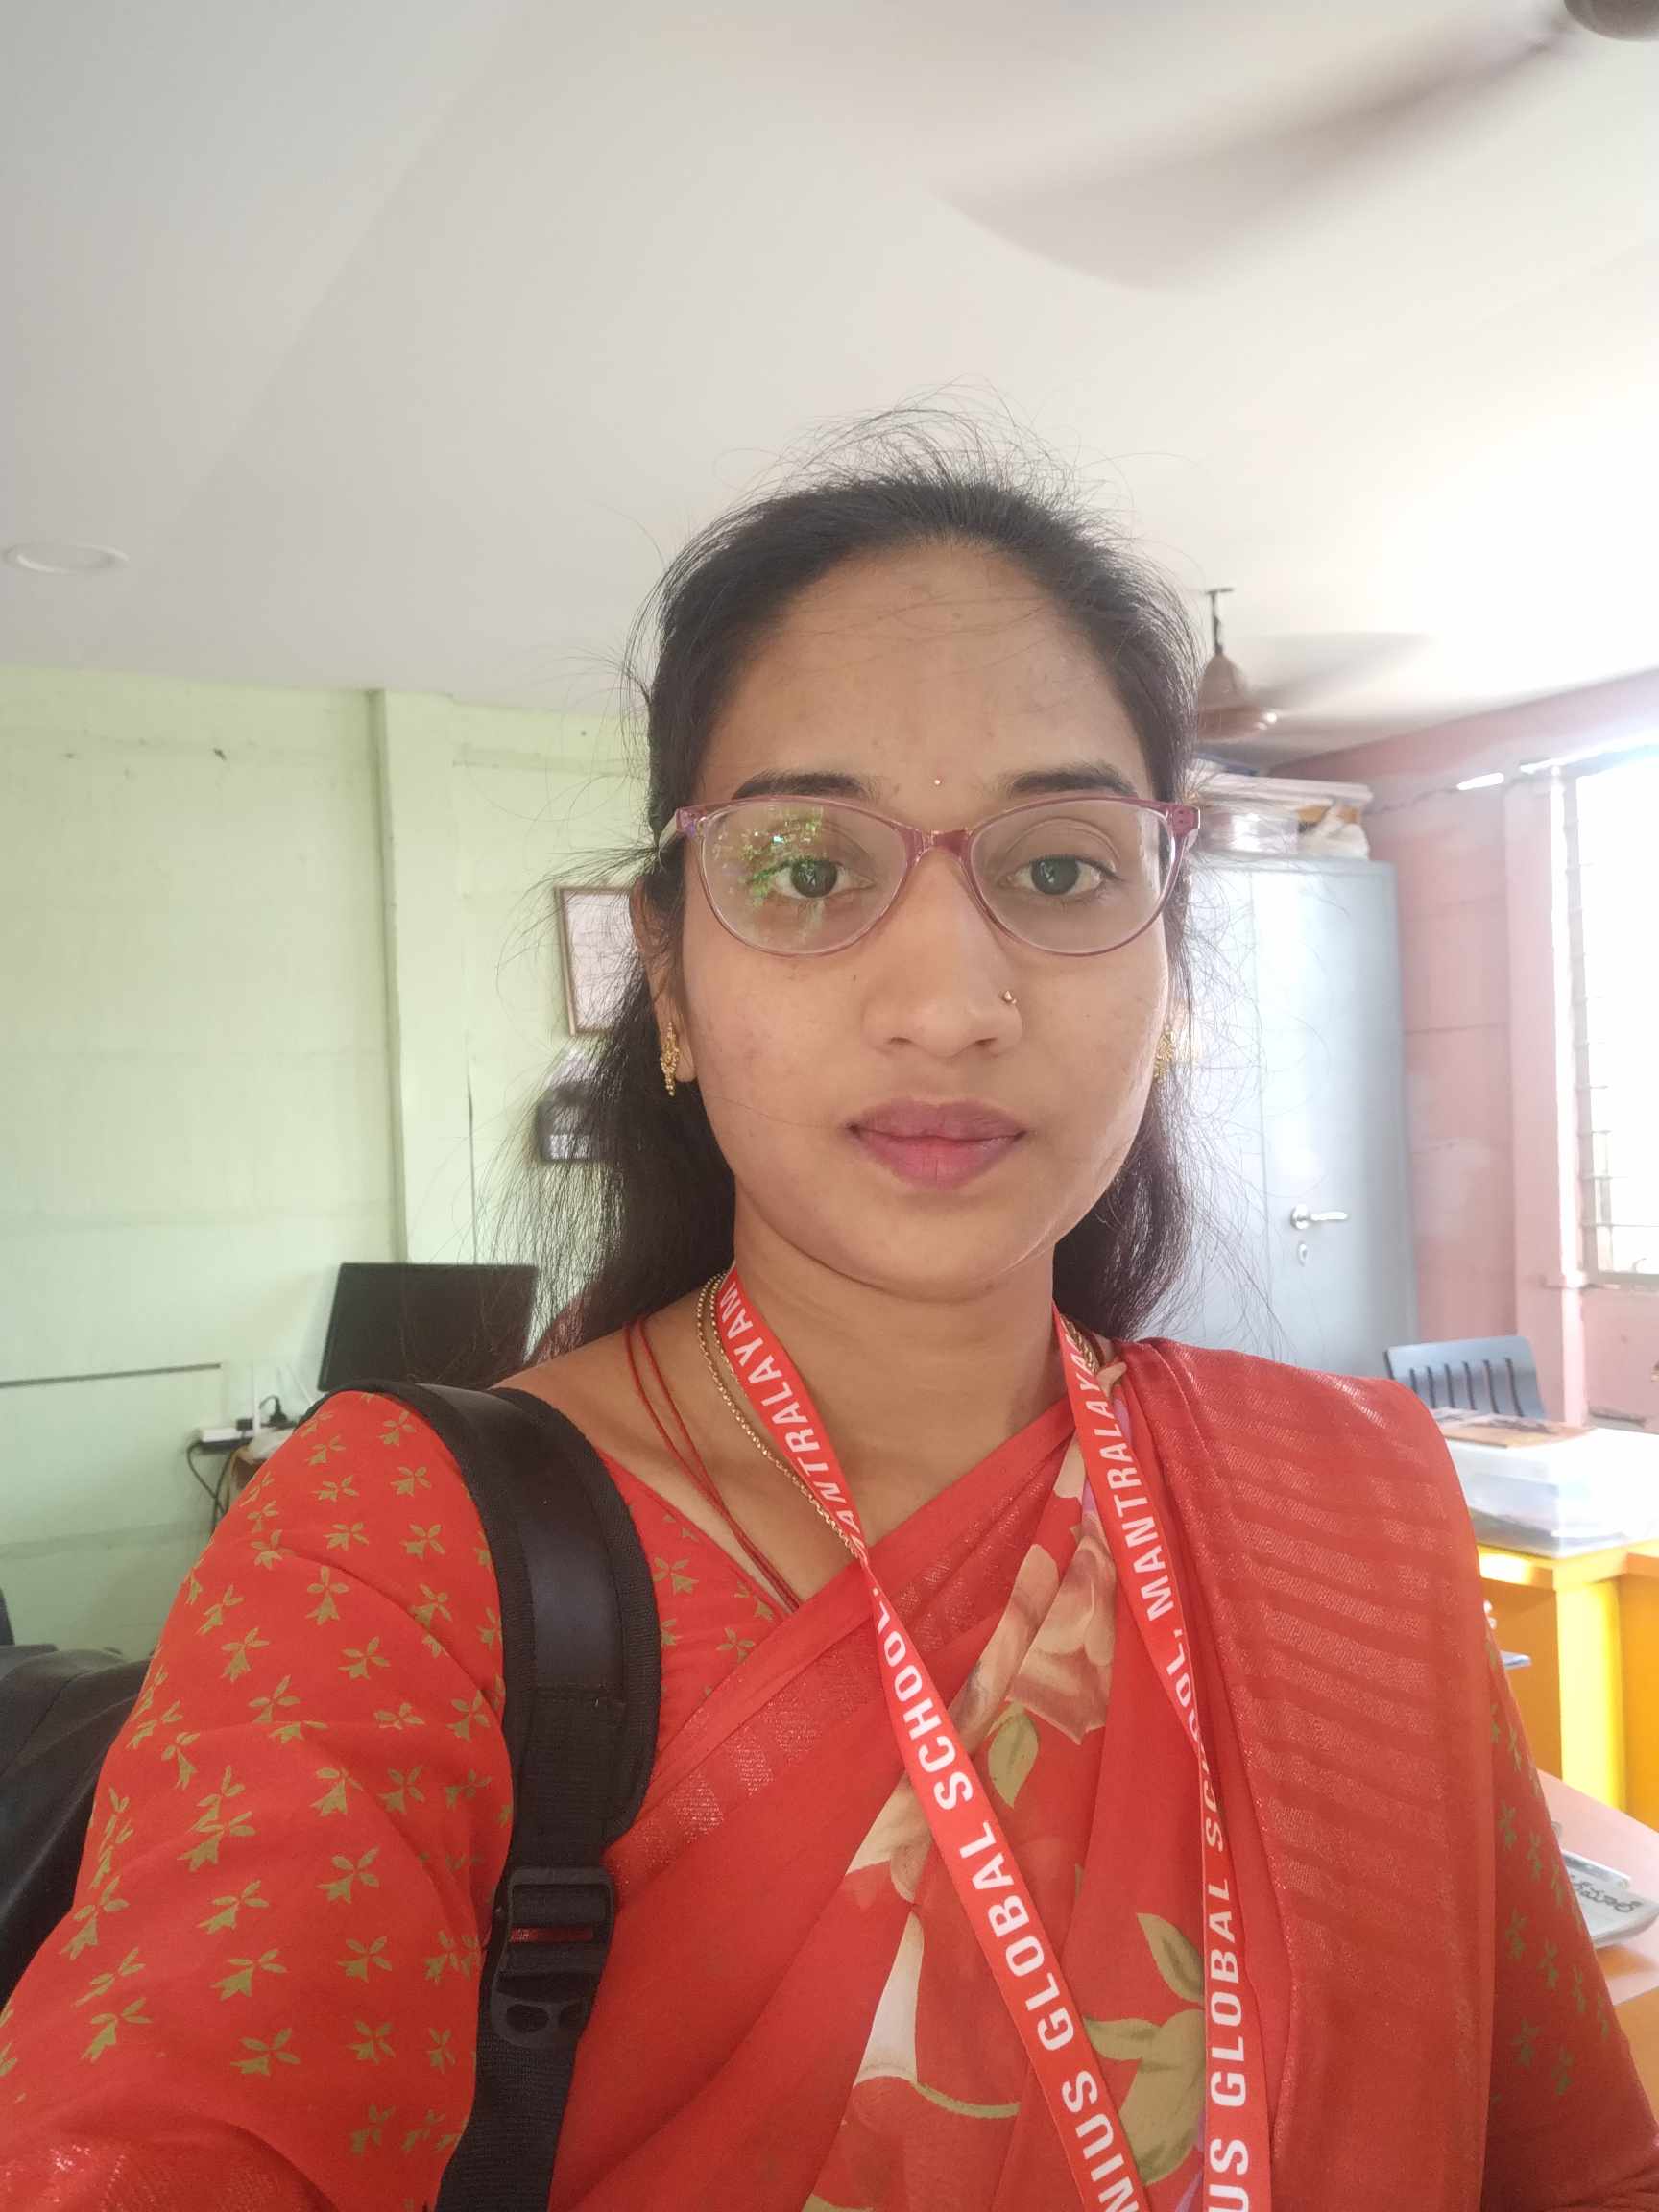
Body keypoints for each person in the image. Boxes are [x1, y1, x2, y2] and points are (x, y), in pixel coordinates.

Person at [2, 419, 1655, 2212]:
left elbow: (1564, 2157)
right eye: (806, 866)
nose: (949, 1002)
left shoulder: (1350, 1489)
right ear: (669, 978)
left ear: (1168, 956)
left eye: (1060, 867)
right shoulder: (395, 1552)